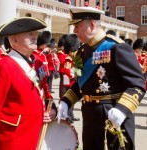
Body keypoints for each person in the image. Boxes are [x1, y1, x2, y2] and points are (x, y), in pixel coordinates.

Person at [58, 6, 146, 150]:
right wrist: (66, 102)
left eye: (77, 26)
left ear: (92, 24)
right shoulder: (82, 51)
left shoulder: (116, 47)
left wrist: (122, 109)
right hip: (89, 118)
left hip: (112, 117)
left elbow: (137, 84)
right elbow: (81, 83)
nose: (74, 31)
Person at [0, 17, 57, 150]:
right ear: (14, 40)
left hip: (36, 131)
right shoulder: (5, 65)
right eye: (30, 34)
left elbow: (45, 92)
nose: (35, 37)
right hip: (13, 137)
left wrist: (51, 109)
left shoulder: (38, 63)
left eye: (35, 34)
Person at [63, 33, 81, 123]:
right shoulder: (68, 59)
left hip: (73, 82)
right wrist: (74, 76)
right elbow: (66, 70)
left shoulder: (74, 57)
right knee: (69, 100)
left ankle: (71, 115)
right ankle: (68, 116)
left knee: (73, 101)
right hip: (69, 82)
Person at [57, 34, 67, 98]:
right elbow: (62, 61)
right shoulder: (61, 52)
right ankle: (62, 97)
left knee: (67, 85)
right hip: (63, 71)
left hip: (67, 71)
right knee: (63, 85)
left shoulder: (67, 52)